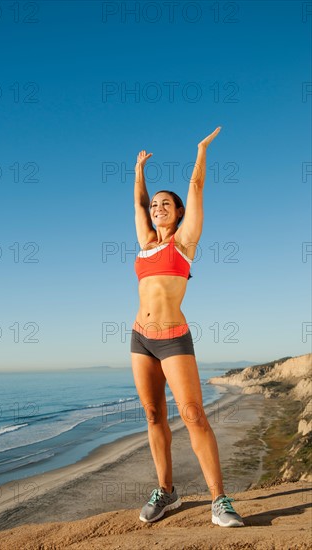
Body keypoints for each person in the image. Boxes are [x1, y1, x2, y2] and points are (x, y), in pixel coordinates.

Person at [131, 127, 244, 527]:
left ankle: (219, 500)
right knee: (153, 416)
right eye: (156, 204)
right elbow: (140, 203)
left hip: (173, 338)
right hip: (140, 339)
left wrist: (200, 151)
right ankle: (167, 492)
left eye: (167, 204)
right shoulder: (146, 242)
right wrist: (139, 171)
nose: (159, 207)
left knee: (194, 415)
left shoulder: (184, 243)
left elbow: (195, 187)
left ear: (178, 213)